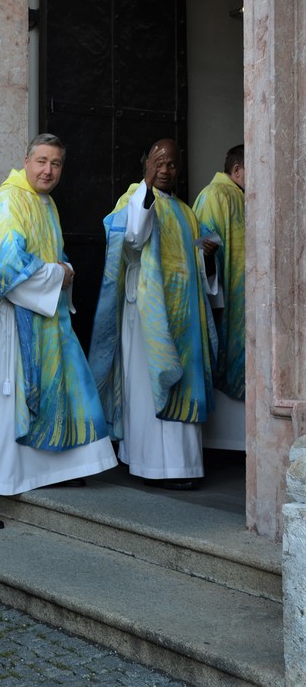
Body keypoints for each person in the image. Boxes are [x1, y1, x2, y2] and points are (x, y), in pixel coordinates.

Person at [0, 134, 118, 530]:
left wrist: (60, 269)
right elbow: (8, 267)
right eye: (42, 161)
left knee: (58, 392)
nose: (48, 170)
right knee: (1, 407)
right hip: (11, 324)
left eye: (56, 164)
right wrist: (59, 273)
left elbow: (45, 257)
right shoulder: (8, 201)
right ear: (26, 161)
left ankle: (52, 468)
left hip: (42, 320)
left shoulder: (44, 203)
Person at [90, 139, 218, 491]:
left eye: (171, 164)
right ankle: (151, 464)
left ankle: (184, 463)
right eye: (158, 163)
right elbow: (133, 237)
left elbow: (199, 268)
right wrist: (145, 187)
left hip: (185, 314)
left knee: (183, 384)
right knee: (149, 386)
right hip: (148, 311)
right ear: (145, 164)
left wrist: (207, 257)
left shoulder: (186, 212)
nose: (164, 170)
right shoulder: (132, 198)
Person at [193, 144, 245, 402]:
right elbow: (201, 249)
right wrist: (208, 257)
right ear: (237, 170)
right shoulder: (214, 195)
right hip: (227, 300)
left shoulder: (241, 195)